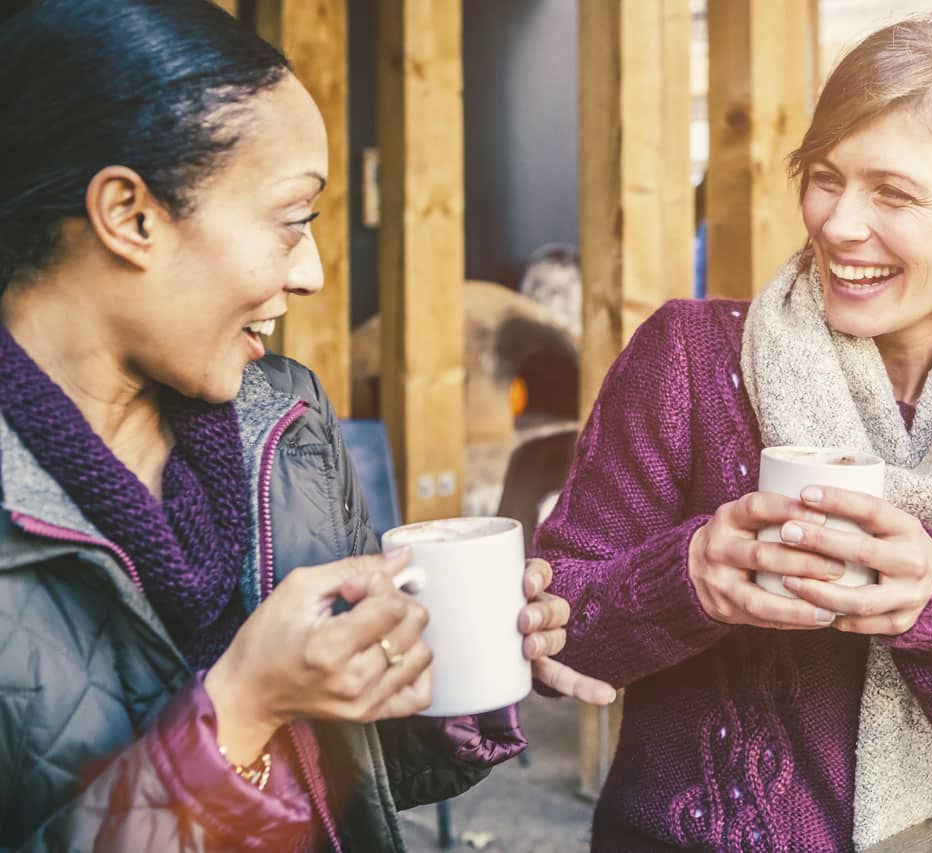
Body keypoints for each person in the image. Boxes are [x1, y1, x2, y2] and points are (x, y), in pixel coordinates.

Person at [533, 12, 932, 851]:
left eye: (893, 193)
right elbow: (558, 629)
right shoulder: (689, 358)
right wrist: (689, 576)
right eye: (826, 177)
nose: (836, 224)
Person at [0, 1, 613, 850]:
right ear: (130, 216)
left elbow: (365, 772)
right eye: (292, 220)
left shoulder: (283, 419)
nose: (314, 273)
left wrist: (463, 665)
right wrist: (244, 707)